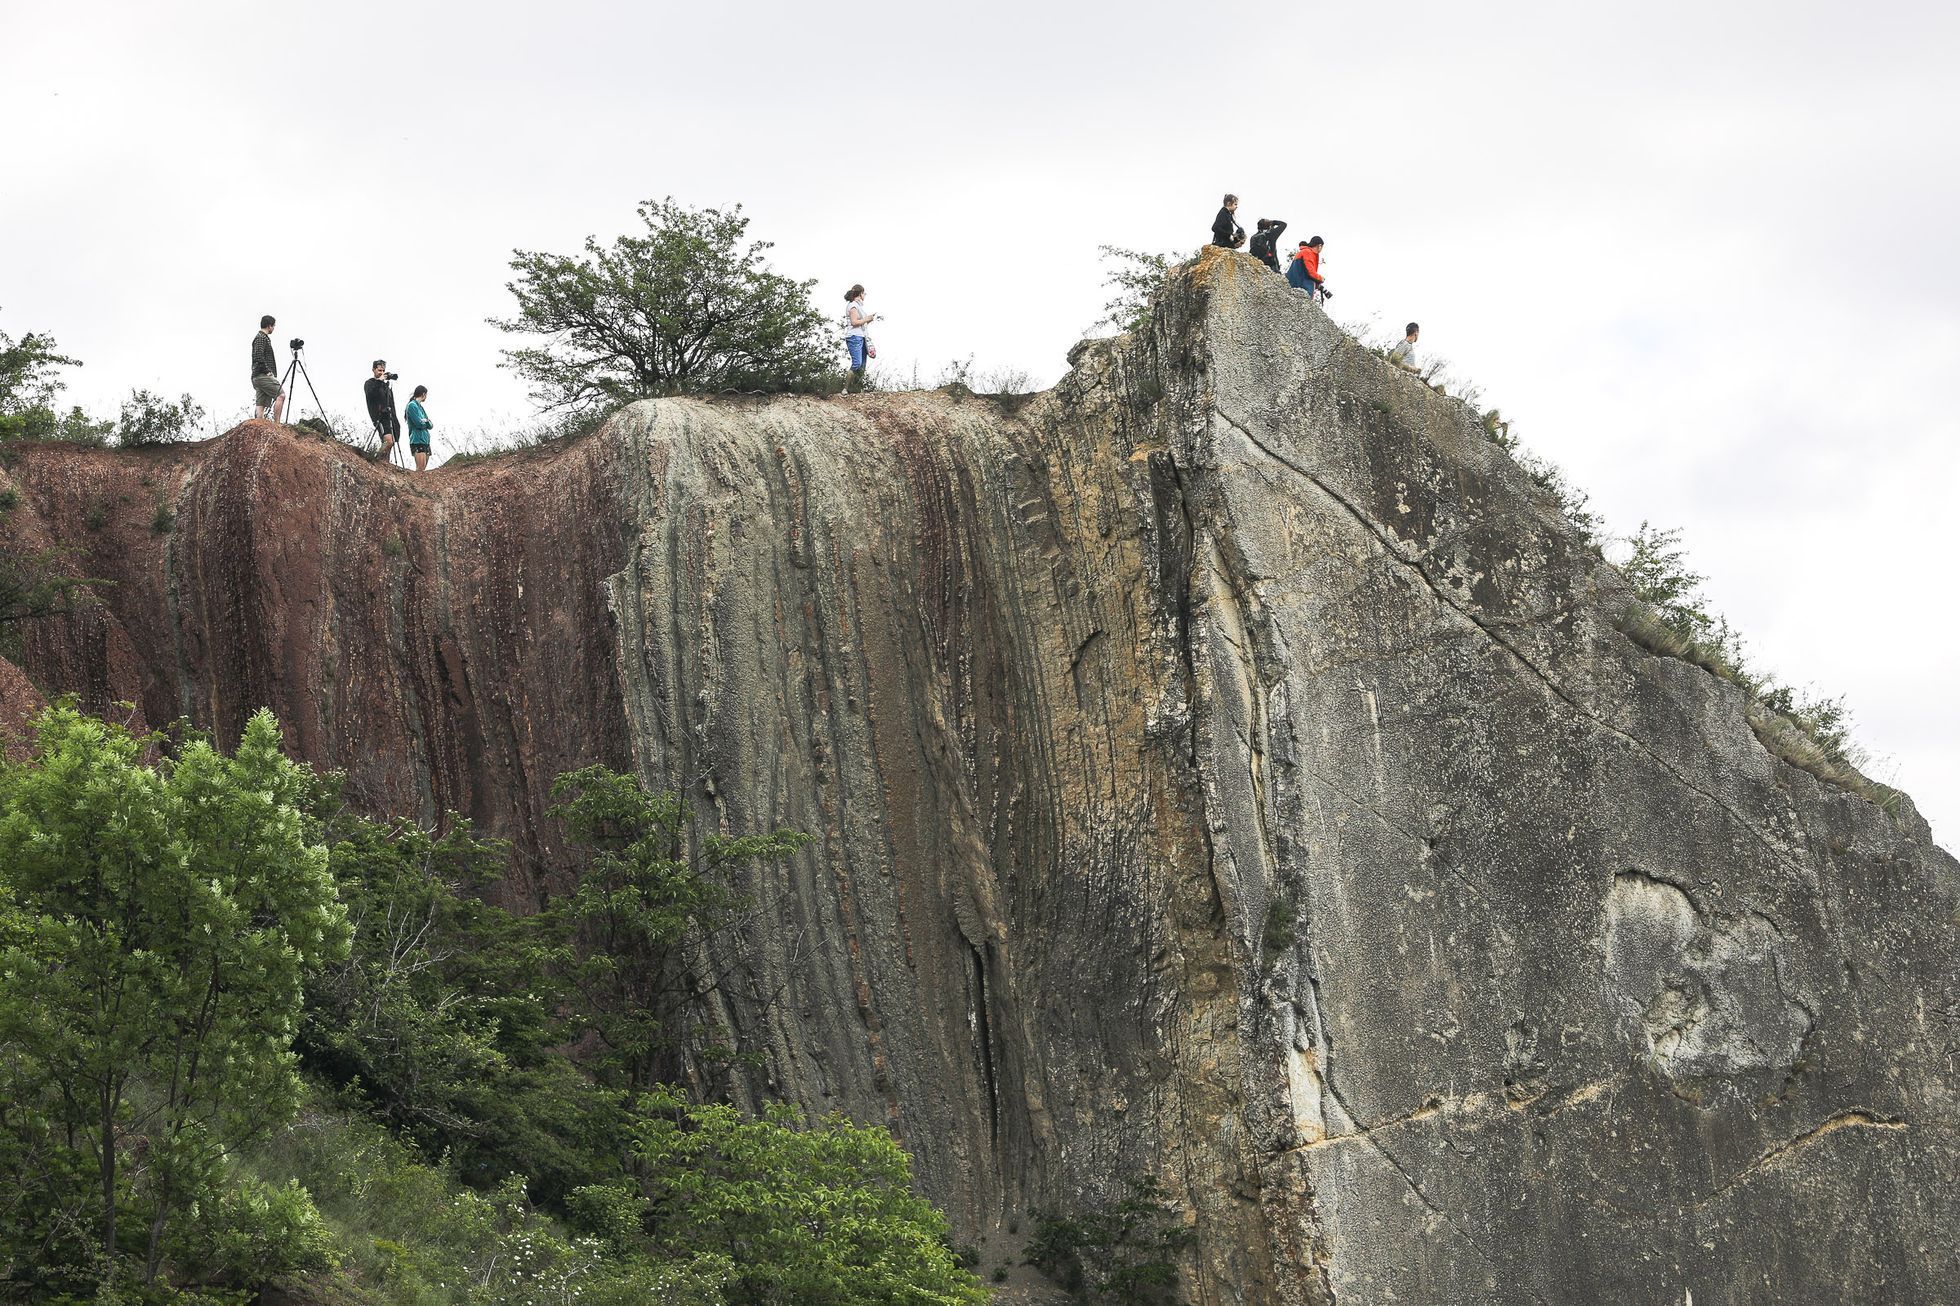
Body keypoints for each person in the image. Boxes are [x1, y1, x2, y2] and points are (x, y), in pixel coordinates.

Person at [843, 285, 878, 390]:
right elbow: (854, 322)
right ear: (860, 293)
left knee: (862, 365)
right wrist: (867, 318)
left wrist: (869, 320)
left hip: (861, 337)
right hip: (854, 337)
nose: (864, 296)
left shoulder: (858, 306)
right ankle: (846, 388)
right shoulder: (853, 305)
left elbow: (861, 323)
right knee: (857, 363)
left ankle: (857, 389)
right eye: (864, 293)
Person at [364, 360, 400, 460]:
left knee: (390, 443)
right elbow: (371, 394)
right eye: (379, 370)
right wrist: (379, 380)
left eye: (383, 370)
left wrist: (395, 420)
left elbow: (392, 404)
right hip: (379, 416)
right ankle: (376, 461)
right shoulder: (370, 383)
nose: (382, 373)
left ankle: (385, 464)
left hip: (389, 417)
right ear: (373, 370)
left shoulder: (386, 386)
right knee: (388, 441)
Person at [251, 315, 285, 421]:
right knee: (281, 395)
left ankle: (258, 424)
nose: (273, 328)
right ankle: (277, 424)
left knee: (261, 404)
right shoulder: (261, 338)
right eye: (273, 326)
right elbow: (258, 356)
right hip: (262, 375)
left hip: (257, 376)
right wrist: (267, 371)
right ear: (269, 326)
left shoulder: (262, 338)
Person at [1285, 237, 1328, 301]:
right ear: (1319, 246)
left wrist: (1316, 285)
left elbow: (1303, 272)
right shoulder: (1308, 252)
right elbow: (1310, 272)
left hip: (1295, 286)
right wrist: (1320, 278)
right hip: (1301, 289)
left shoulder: (1304, 252)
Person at [404, 385, 433, 471]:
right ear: (423, 394)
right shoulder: (412, 405)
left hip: (425, 440)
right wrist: (425, 422)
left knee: (423, 469)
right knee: (420, 469)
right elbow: (418, 423)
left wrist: (425, 422)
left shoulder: (421, 407)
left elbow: (430, 424)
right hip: (417, 440)